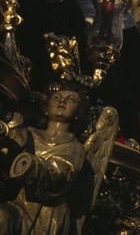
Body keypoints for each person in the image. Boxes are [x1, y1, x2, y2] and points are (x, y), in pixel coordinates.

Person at [0, 83, 88, 235]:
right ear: (46, 108)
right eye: (56, 98)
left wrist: (33, 165)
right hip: (19, 202)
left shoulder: (75, 147)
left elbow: (61, 177)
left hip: (47, 214)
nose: (62, 102)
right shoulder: (29, 134)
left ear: (78, 113)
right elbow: (13, 147)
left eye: (71, 100)